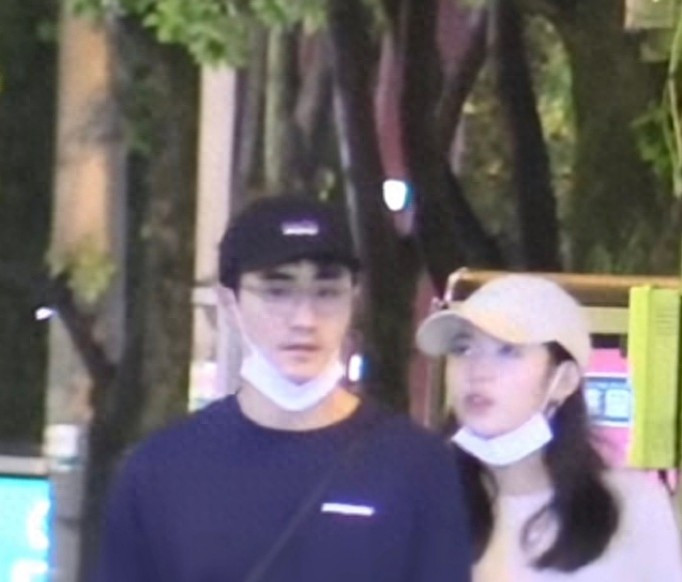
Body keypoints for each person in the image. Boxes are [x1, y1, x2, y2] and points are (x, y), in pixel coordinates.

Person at [94, 195, 471, 582]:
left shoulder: (417, 465)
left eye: (326, 292)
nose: (304, 319)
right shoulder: (159, 470)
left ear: (354, 298)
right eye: (277, 291)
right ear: (230, 302)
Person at [416, 273, 682, 582]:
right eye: (463, 349)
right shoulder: (421, 502)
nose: (478, 371)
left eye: (508, 351)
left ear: (564, 380)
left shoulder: (632, 507)